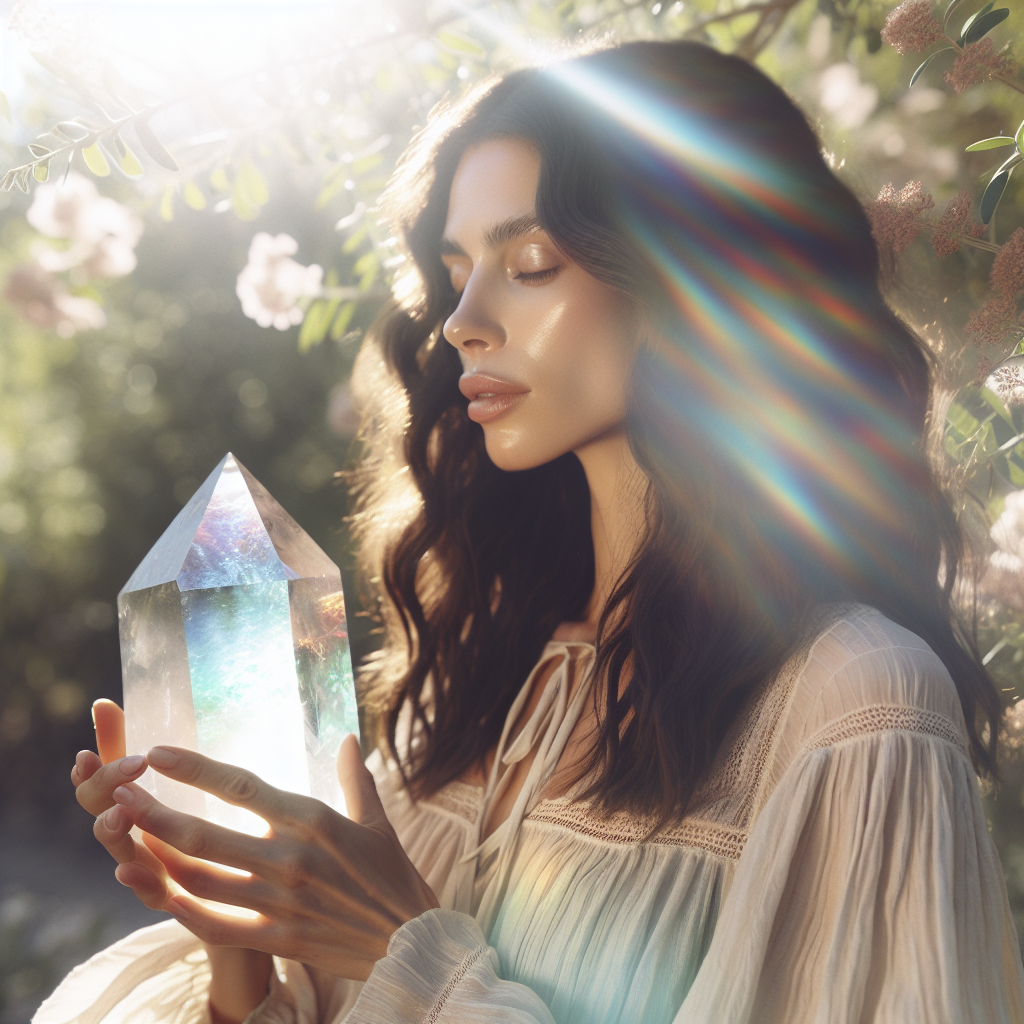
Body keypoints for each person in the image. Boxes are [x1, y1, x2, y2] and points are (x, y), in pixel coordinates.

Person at [37, 39, 1024, 1024]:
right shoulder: (468, 693)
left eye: (532, 262)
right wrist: (240, 941)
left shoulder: (852, 706)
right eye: (457, 271)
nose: (464, 319)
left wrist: (405, 956)